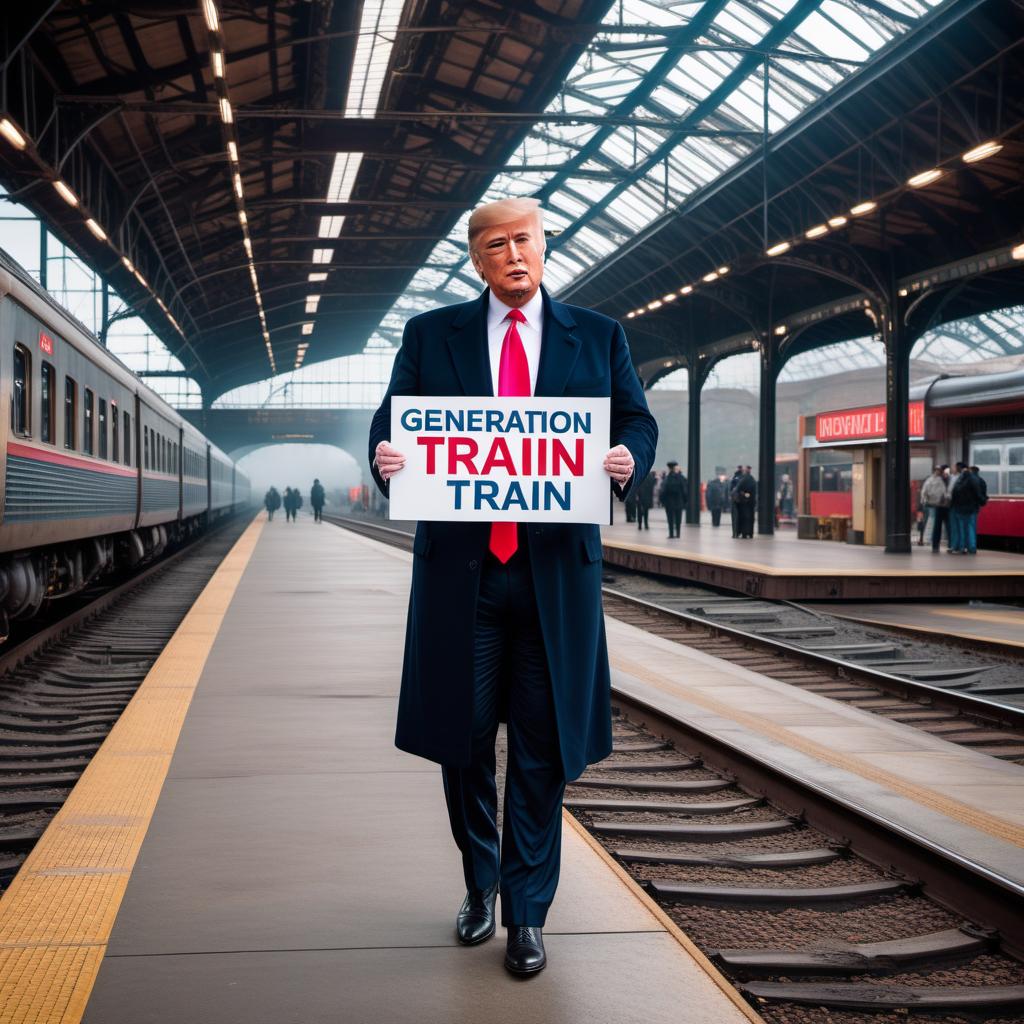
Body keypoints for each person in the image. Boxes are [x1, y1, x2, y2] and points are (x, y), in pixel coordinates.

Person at [369, 196, 657, 977]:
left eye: (524, 240)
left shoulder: (597, 336)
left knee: (541, 750)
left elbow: (636, 420)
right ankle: (480, 882)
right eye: (496, 244)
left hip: (554, 580)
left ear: (542, 244)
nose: (513, 254)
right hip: (463, 580)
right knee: (462, 743)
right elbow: (390, 425)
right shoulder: (433, 336)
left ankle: (528, 915)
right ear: (478, 258)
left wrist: (628, 457)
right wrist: (389, 456)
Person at [950, 465, 986, 555]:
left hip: (959, 508)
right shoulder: (979, 480)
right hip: (972, 508)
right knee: (971, 528)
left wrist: (953, 505)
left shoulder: (959, 481)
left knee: (961, 529)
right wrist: (982, 501)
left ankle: (962, 547)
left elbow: (954, 493)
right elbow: (980, 493)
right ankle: (972, 548)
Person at [920, 466, 947, 552]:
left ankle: (929, 539)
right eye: (937, 470)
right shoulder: (931, 480)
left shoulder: (938, 480)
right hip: (931, 503)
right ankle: (928, 539)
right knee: (931, 520)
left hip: (936, 504)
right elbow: (924, 491)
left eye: (939, 470)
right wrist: (924, 499)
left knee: (932, 521)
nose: (938, 472)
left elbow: (944, 492)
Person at [660, 461, 687, 538]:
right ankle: (678, 533)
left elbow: (663, 491)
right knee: (678, 519)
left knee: (670, 519)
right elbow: (684, 491)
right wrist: (684, 501)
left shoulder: (667, 479)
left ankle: (671, 534)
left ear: (669, 468)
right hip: (679, 502)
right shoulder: (681, 478)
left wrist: (663, 502)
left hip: (669, 503)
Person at [946, 462, 967, 552]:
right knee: (957, 527)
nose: (953, 468)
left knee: (957, 527)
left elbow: (951, 491)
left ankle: (958, 546)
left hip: (956, 504)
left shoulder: (960, 478)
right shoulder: (954, 477)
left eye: (955, 467)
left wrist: (948, 498)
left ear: (958, 468)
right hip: (955, 504)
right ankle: (957, 546)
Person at [732, 465, 757, 538]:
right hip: (751, 502)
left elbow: (737, 489)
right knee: (750, 518)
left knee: (743, 518)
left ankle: (743, 533)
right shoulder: (752, 479)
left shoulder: (743, 479)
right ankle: (750, 533)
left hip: (743, 503)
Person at [729, 464, 743, 537]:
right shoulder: (743, 477)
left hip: (734, 500)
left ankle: (735, 533)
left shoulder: (734, 478)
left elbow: (731, 489)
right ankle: (739, 532)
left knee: (734, 518)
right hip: (742, 500)